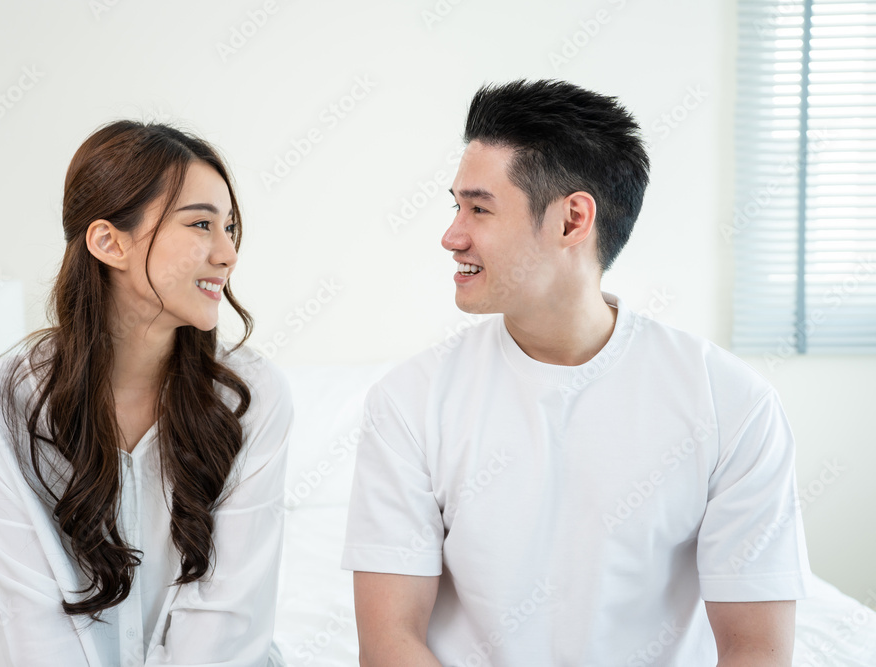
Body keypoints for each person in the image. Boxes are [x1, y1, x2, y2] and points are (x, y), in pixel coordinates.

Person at [341, 80, 811, 666]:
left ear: (571, 221)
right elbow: (390, 642)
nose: (451, 235)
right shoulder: (410, 401)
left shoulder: (732, 405)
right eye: (455, 205)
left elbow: (756, 650)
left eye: (479, 208)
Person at [0, 120, 292, 666]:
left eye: (230, 228)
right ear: (110, 242)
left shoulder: (250, 396)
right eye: (201, 224)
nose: (228, 253)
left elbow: (227, 619)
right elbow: (27, 627)